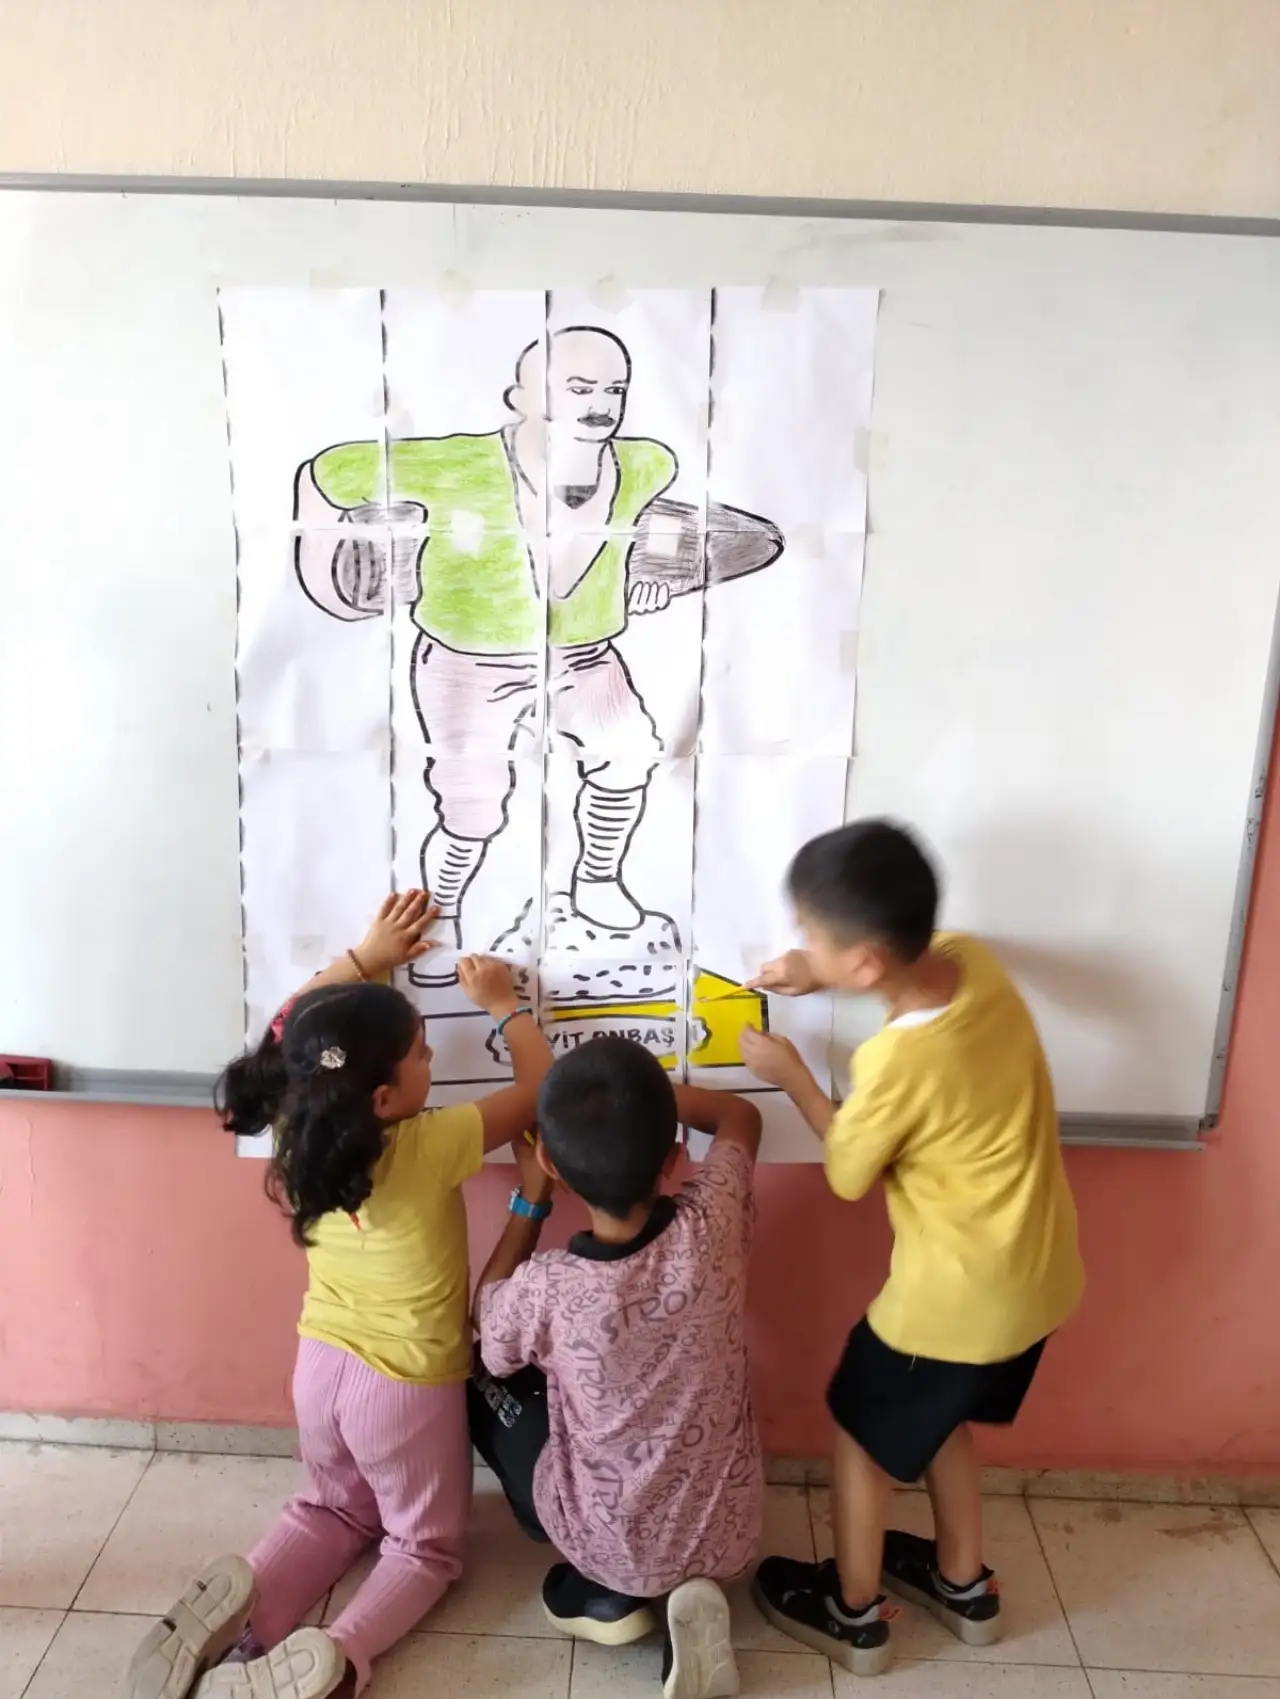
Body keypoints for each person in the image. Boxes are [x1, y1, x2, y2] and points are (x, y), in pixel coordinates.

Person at [124, 890, 555, 1699]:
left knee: (330, 1506)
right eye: (422, 1053)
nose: (433, 1058)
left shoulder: (296, 1122)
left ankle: (244, 1626)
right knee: (424, 1546)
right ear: (385, 1098)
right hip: (404, 1386)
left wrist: (366, 957)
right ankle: (338, 1658)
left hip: (320, 1367)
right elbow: (541, 1088)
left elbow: (288, 1032)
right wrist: (506, 1007)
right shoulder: (427, 1143)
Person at [738, 822, 1084, 1677]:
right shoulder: (974, 962)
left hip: (949, 1301)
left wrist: (793, 1076)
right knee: (937, 1416)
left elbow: (849, 1169)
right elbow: (897, 976)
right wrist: (815, 968)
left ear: (864, 964)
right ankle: (965, 1586)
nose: (800, 943)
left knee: (863, 1431)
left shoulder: (897, 1062)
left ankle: (853, 1611)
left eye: (811, 934)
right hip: (1036, 1277)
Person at [468, 1037, 764, 1699]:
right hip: (728, 1528)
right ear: (673, 1157)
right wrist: (645, 1105)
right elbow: (742, 1115)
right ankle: (690, 1592)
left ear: (551, 1160)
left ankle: (607, 1594)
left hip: (606, 1539)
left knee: (477, 1372)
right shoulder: (712, 1222)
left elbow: (486, 1325)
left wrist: (531, 1198)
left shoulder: (550, 1288)